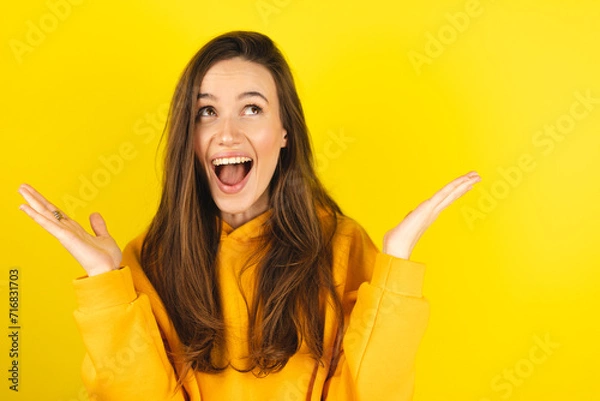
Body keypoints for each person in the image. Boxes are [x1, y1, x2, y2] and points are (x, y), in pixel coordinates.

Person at [18, 31, 481, 400]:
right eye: (207, 112)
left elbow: (367, 394)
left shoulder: (341, 246)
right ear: (189, 136)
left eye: (252, 109)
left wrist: (396, 266)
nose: (226, 132)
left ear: (284, 133)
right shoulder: (148, 258)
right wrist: (105, 282)